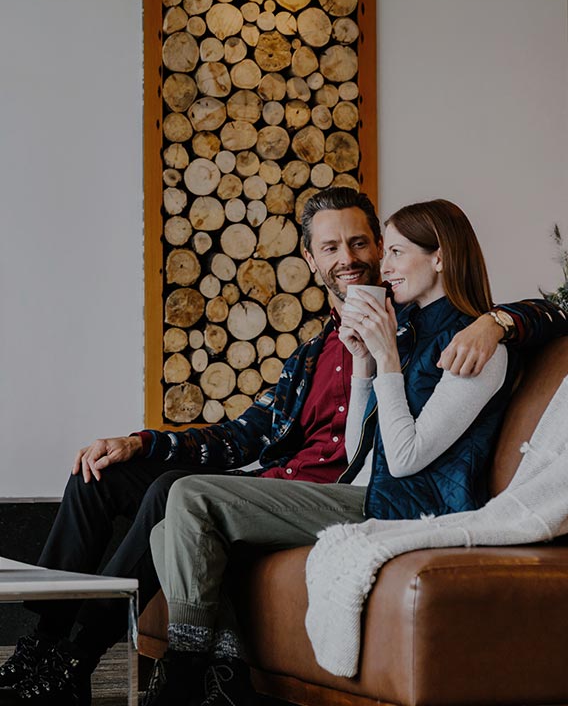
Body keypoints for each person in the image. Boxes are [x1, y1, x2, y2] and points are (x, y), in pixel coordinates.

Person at [0, 189, 564, 706]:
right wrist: (139, 441)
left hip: (366, 494)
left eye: (372, 246)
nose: (365, 260)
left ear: (431, 256)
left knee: (178, 498)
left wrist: (496, 321)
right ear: (313, 260)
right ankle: (47, 649)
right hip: (313, 482)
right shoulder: (319, 351)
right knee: (102, 476)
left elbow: (410, 450)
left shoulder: (435, 331)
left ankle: (153, 665)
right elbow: (250, 434)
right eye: (332, 246)